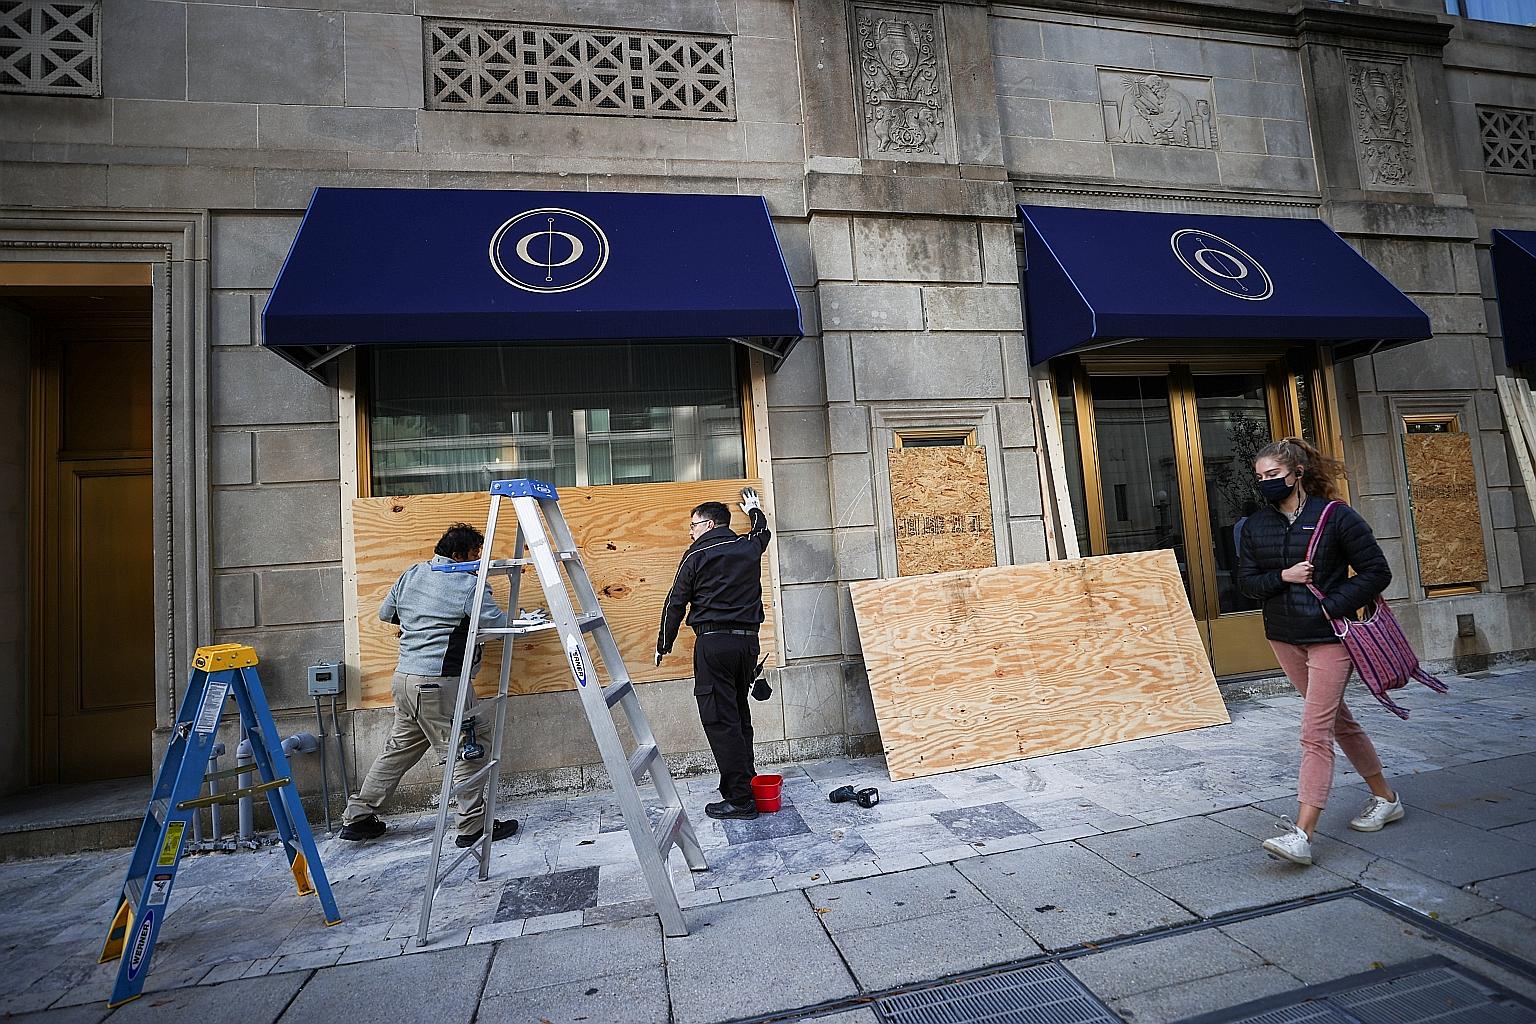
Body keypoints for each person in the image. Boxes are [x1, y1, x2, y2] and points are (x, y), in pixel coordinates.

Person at [1237, 437, 1400, 866]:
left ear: (1297, 473)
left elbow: (1375, 572)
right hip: (1284, 635)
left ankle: (1301, 833)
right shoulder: (1255, 526)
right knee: (1336, 719)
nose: (1267, 483)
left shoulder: (1335, 517)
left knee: (1314, 731)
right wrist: (1284, 576)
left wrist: (1331, 605)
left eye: (1273, 475)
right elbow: (1247, 583)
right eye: (1260, 478)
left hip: (1330, 637)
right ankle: (1386, 797)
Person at [340, 522, 519, 847]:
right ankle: (472, 828)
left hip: (405, 681)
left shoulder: (412, 573)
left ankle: (359, 816)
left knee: (399, 750)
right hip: (442, 685)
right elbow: (498, 623)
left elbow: (386, 613)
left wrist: (422, 622)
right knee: (469, 750)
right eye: (475, 554)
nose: (478, 561)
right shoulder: (468, 585)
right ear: (458, 554)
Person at [656, 488, 772, 820]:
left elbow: (675, 601)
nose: (690, 531)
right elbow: (762, 532)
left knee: (720, 720)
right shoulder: (747, 547)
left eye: (692, 525)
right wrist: (754, 510)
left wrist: (664, 643)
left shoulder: (696, 555)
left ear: (707, 525)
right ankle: (745, 785)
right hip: (748, 646)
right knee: (737, 714)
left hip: (714, 645)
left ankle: (740, 799)